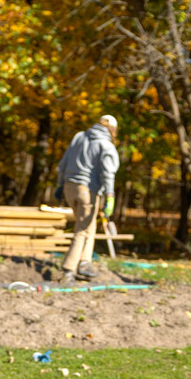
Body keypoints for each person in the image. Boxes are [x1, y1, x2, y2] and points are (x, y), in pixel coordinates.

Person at [54, 115, 120, 282]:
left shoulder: (79, 137)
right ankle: (68, 269)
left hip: (70, 187)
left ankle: (84, 263)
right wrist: (110, 195)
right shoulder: (106, 145)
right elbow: (107, 173)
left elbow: (62, 165)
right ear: (112, 130)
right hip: (87, 191)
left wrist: (60, 185)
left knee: (89, 226)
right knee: (82, 229)